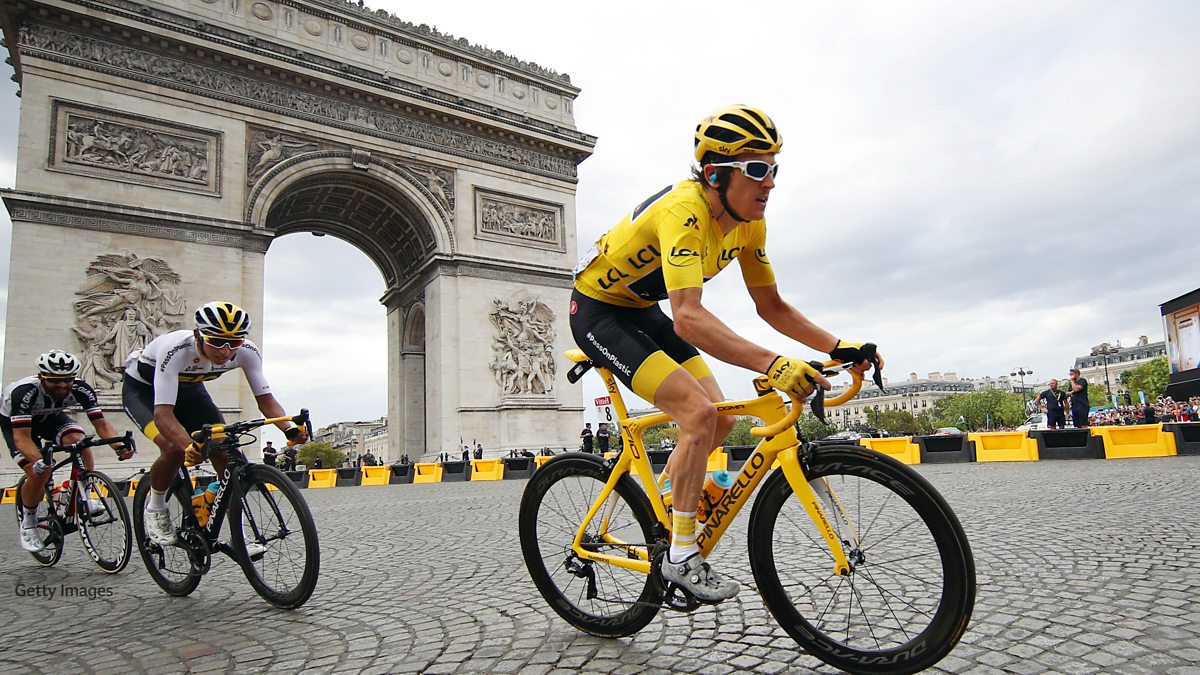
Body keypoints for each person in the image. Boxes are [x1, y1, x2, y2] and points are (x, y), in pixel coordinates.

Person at [568, 104, 882, 603]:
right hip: (598, 311)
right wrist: (774, 364)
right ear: (715, 174)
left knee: (718, 421)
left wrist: (839, 346)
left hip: (642, 308)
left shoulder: (749, 225)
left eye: (774, 168)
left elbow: (771, 306)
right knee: (696, 413)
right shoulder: (684, 211)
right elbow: (689, 317)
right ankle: (680, 557)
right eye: (757, 169)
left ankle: (672, 512)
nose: (771, 182)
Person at [122, 301, 307, 547]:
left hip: (189, 390)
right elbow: (163, 414)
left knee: (224, 449)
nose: (225, 351)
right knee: (174, 449)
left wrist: (289, 428)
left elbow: (266, 400)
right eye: (217, 341)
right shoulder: (176, 348)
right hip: (144, 393)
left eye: (235, 342)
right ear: (199, 334)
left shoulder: (247, 352)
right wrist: (188, 444)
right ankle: (156, 507)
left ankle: (237, 533)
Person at [2, 350, 133, 552]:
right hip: (19, 426)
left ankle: (85, 495)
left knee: (80, 443)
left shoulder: (82, 388)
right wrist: (38, 462)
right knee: (40, 472)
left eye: (67, 380)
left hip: (51, 418)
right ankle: (29, 523)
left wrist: (119, 446)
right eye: (55, 381)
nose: (62, 385)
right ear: (42, 377)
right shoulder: (24, 392)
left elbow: (102, 425)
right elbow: (22, 438)